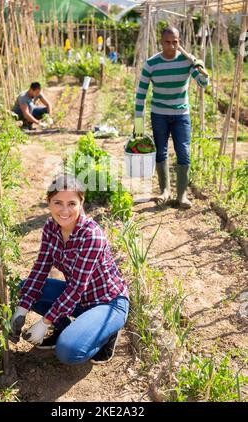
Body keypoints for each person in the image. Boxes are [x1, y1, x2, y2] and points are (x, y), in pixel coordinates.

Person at [11, 175, 129, 365]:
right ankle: (65, 327)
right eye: (57, 202)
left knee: (68, 352)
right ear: (48, 202)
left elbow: (76, 288)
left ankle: (106, 334)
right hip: (80, 299)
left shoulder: (91, 236)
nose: (64, 210)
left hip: (108, 303)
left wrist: (44, 322)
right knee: (24, 288)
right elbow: (40, 270)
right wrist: (21, 309)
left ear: (81, 202)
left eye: (72, 203)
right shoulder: (51, 227)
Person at [134, 26, 209, 209]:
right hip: (159, 114)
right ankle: (164, 191)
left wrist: (199, 65)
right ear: (162, 43)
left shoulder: (186, 62)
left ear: (179, 42)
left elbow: (203, 83)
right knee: (161, 151)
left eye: (175, 42)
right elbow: (141, 94)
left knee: (183, 151)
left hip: (181, 115)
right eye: (167, 42)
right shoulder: (151, 64)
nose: (172, 46)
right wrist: (138, 123)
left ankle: (182, 195)